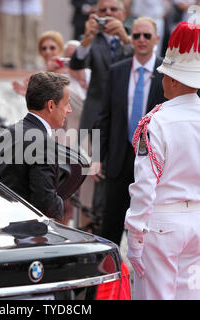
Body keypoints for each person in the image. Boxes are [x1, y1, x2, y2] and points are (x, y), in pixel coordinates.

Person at [125, 21, 200, 300]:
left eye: (165, 75)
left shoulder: (157, 121)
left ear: (175, 80)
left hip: (163, 222)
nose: (162, 81)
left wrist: (135, 236)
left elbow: (144, 186)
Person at [94, 17, 166, 246]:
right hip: (118, 159)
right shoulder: (117, 71)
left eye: (147, 35)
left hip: (153, 163)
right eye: (136, 35)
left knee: (150, 231)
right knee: (110, 228)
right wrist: (96, 157)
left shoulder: (168, 74)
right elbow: (103, 117)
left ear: (157, 38)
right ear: (131, 38)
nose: (141, 40)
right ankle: (109, 279)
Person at [69, 0, 133, 233]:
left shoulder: (134, 38)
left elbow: (141, 62)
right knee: (90, 176)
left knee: (116, 174)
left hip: (124, 118)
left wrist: (126, 39)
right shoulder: (91, 39)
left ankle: (115, 223)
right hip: (95, 117)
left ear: (123, 14)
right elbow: (77, 61)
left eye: (113, 10)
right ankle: (89, 227)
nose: (107, 15)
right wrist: (86, 37)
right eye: (102, 11)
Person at [0, 72, 72, 221]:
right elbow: (44, 203)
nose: (69, 109)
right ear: (51, 106)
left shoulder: (10, 131)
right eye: (66, 103)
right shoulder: (43, 143)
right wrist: (60, 205)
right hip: (28, 232)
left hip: (2, 222)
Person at [0, 0, 43, 70]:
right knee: (13, 37)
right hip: (14, 10)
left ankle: (30, 61)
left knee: (30, 38)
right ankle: (10, 60)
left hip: (29, 11)